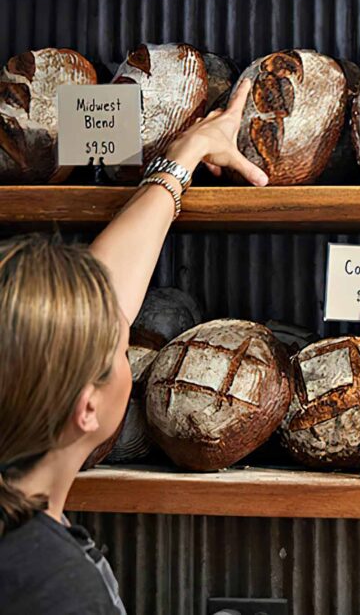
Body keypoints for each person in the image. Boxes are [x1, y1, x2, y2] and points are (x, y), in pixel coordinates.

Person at [0, 79, 267, 614]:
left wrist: (184, 155)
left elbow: (81, 310)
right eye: (120, 348)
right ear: (86, 408)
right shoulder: (54, 588)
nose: (125, 333)